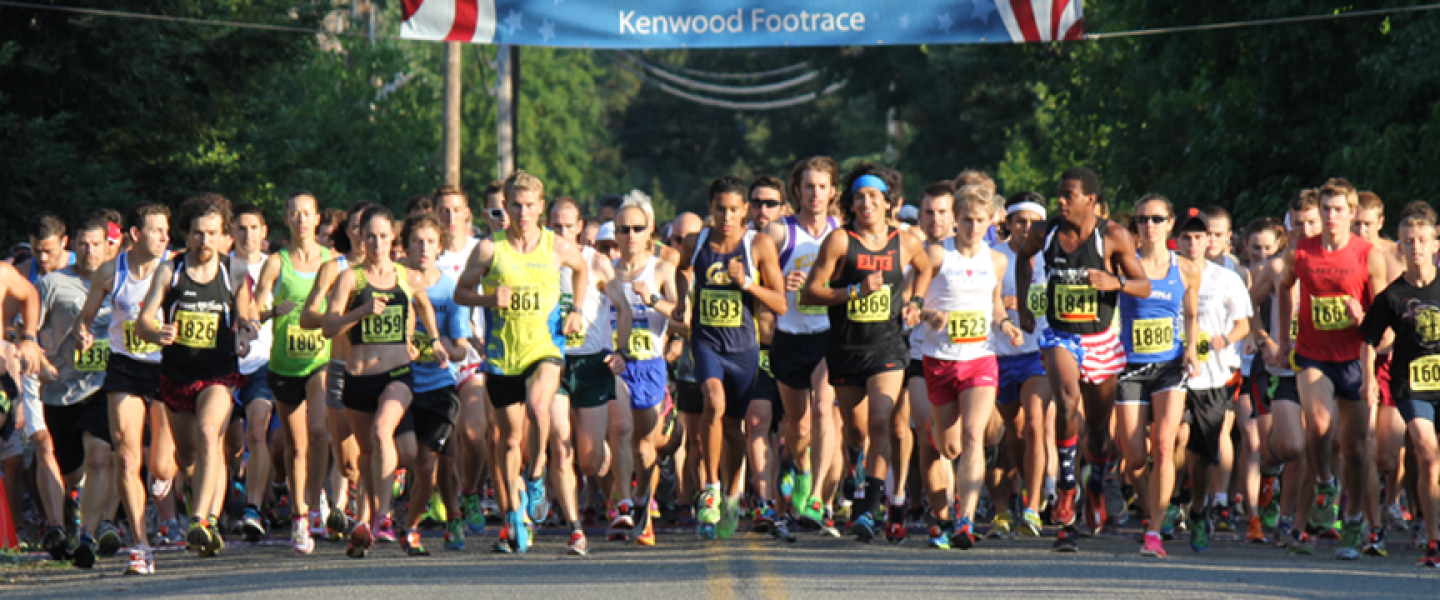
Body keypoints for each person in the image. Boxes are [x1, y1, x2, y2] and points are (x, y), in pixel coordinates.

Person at [1015, 167, 1151, 552]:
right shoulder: (1045, 232)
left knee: (1100, 432)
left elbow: (1144, 285)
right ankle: (1066, 489)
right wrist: (1025, 305)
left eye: (1068, 195)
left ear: (1090, 199)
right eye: (1058, 194)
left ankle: (1096, 482)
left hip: (1100, 340)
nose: (1060, 202)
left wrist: (1115, 282)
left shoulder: (1113, 236)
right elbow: (1023, 258)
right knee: (1066, 401)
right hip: (1061, 335)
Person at [455, 169, 587, 555]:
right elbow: (462, 293)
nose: (523, 212)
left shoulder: (556, 246)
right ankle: (513, 513)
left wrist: (576, 310)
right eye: (516, 205)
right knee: (510, 439)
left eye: (530, 205)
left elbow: (582, 270)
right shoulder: (489, 250)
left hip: (545, 348)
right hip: (502, 357)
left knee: (538, 406)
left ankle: (537, 473)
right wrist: (487, 300)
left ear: (541, 207)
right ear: (506, 207)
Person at [802, 163, 931, 543]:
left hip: (886, 347)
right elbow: (811, 292)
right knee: (857, 433)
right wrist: (855, 291)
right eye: (859, 197)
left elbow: (925, 268)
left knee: (880, 421)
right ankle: (857, 471)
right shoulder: (840, 241)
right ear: (850, 203)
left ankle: (867, 510)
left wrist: (916, 302)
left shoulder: (905, 241)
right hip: (846, 348)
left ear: (888, 202)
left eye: (873, 196)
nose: (866, 203)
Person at [136, 194, 259, 559]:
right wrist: (156, 332)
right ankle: (200, 505)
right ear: (187, 235)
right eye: (198, 234)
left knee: (209, 433)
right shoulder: (169, 271)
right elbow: (143, 321)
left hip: (218, 373)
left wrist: (246, 332)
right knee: (189, 457)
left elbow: (247, 315)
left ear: (223, 236)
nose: (205, 241)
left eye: (212, 233)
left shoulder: (234, 271)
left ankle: (202, 520)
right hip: (176, 376)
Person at [322, 205, 445, 558]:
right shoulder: (350, 279)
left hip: (397, 375)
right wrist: (361, 311)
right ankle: (364, 521)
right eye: (370, 237)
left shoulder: (406, 276)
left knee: (381, 432)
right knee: (365, 456)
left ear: (394, 239)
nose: (377, 243)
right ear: (360, 238)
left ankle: (383, 516)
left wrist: (434, 341)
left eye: (383, 236)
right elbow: (328, 326)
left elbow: (424, 305)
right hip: (358, 379)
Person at [1277, 178, 1390, 560]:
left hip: (1354, 359)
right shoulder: (1301, 251)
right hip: (1313, 356)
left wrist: (1363, 319)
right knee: (1321, 423)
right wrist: (1284, 339)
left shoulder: (1368, 255)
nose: (1330, 216)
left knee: (1356, 450)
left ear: (1352, 213)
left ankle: (1354, 520)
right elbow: (1283, 287)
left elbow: (1383, 316)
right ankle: (1326, 482)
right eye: (1325, 209)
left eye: (1338, 209)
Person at [676, 176, 788, 539]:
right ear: (710, 208)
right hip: (706, 344)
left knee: (734, 431)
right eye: (720, 209)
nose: (727, 217)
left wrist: (748, 284)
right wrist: (682, 300)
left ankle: (731, 493)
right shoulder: (696, 243)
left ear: (745, 211)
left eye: (734, 210)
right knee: (713, 401)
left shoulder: (759, 245)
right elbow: (682, 269)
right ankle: (709, 488)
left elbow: (781, 303)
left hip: (743, 350)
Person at [917, 186, 1021, 548]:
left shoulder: (996, 261)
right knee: (949, 447)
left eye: (980, 220)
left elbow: (995, 304)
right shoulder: (936, 255)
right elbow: (912, 300)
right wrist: (929, 315)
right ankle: (940, 436)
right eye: (966, 220)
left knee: (974, 434)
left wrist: (1005, 324)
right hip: (940, 359)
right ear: (955, 220)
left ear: (990, 220)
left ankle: (966, 520)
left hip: (980, 359)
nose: (973, 228)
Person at [76, 203, 169, 574]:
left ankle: (169, 482)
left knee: (162, 466)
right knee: (128, 459)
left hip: (166, 371)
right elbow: (85, 319)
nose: (164, 237)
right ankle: (141, 545)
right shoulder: (110, 272)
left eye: (166, 230)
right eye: (156, 230)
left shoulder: (173, 269)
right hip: (125, 369)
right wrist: (83, 334)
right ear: (135, 234)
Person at [1112, 196, 1201, 557]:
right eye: (1142, 219)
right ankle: (1154, 508)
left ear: (1170, 224)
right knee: (1134, 457)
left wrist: (1192, 349)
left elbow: (1191, 314)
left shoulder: (1186, 269)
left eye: (1157, 219)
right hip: (1130, 366)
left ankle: (1154, 531)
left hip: (1169, 366)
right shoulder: (1123, 264)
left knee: (1164, 446)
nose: (1149, 225)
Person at [32, 214, 119, 568]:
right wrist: (42, 363)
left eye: (96, 244)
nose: (89, 251)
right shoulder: (51, 283)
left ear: (107, 246)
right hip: (61, 388)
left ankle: (89, 533)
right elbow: (27, 332)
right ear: (72, 245)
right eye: (83, 244)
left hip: (104, 385)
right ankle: (69, 511)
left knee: (100, 455)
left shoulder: (120, 280)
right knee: (70, 470)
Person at [251, 191, 333, 553]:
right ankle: (298, 515)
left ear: (317, 218)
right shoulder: (276, 262)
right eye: (294, 213)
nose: (301, 219)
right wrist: (272, 311)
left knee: (319, 431)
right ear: (286, 219)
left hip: (320, 358)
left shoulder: (331, 261)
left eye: (307, 213)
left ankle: (315, 504)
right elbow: (255, 309)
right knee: (295, 444)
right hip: (285, 363)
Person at [765, 157, 843, 535]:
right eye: (809, 186)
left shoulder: (840, 232)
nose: (815, 194)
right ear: (797, 191)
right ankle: (800, 467)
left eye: (822, 187)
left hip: (827, 335)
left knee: (824, 407)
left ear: (832, 192)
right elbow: (756, 276)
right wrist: (780, 282)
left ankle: (816, 498)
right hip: (789, 336)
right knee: (797, 429)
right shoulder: (780, 232)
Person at [1360, 201, 1440, 566]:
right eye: (1409, 241)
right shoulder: (1392, 296)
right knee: (1426, 450)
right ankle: (1433, 541)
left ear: (1435, 244)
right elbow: (1368, 339)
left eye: (1422, 240)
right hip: (1411, 385)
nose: (1416, 247)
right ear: (1400, 247)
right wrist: (1368, 381)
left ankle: (1425, 520)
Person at [1175, 213, 1252, 553]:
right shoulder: (1166, 274)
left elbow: (1243, 324)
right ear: (1177, 240)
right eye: (1186, 237)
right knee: (1173, 437)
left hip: (1212, 376)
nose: (1192, 244)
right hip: (1173, 373)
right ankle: (1168, 504)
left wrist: (1224, 339)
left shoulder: (1226, 279)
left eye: (1198, 237)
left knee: (1202, 453)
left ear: (1209, 240)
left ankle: (1197, 508)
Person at [610, 191, 683, 546]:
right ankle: (625, 505)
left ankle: (642, 503)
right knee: (621, 429)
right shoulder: (605, 273)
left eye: (637, 228)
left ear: (650, 229)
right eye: (623, 229)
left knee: (645, 448)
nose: (630, 236)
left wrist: (653, 299)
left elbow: (685, 320)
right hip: (616, 366)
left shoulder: (662, 270)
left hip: (651, 366)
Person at [397, 212, 470, 555]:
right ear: (406, 246)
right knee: (413, 457)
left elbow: (461, 348)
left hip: (440, 386)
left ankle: (428, 523)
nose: (423, 248)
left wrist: (439, 348)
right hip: (402, 383)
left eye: (430, 242)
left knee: (438, 460)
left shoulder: (450, 290)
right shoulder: (395, 283)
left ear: (440, 247)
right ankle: (397, 506)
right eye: (417, 242)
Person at [549, 194, 619, 555]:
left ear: (580, 227)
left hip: (591, 363)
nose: (562, 233)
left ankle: (599, 450)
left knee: (588, 461)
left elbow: (623, 307)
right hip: (553, 362)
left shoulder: (597, 262)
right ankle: (575, 528)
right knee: (560, 444)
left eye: (568, 226)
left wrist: (621, 351)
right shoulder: (539, 262)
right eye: (556, 226)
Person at [991, 191, 1054, 539]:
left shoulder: (1051, 259)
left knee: (1035, 424)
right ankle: (1015, 490)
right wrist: (1002, 304)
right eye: (1020, 222)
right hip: (999, 354)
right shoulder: (994, 256)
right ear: (1008, 223)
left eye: (1034, 223)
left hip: (1037, 354)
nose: (1027, 228)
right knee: (1011, 432)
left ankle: (1032, 507)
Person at [433, 185, 493, 537]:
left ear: (468, 213)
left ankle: (471, 490)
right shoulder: (428, 253)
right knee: (446, 445)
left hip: (474, 358)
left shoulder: (481, 250)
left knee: (474, 434)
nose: (450, 217)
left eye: (456, 209)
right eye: (443, 210)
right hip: (438, 362)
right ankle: (452, 512)